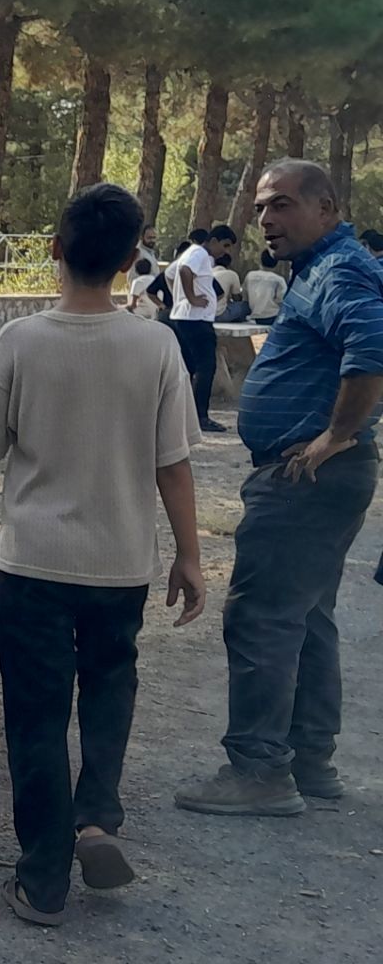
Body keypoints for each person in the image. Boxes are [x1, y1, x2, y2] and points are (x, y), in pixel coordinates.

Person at [0, 183, 206, 926]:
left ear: (55, 250)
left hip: (34, 563)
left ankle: (43, 878)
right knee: (108, 691)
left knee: (34, 715)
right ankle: (96, 818)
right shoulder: (155, 344)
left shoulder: (22, 341)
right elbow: (174, 465)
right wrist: (189, 556)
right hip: (120, 564)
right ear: (132, 260)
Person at [174, 159, 383, 817]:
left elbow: (374, 343)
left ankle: (259, 770)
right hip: (320, 479)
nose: (267, 219)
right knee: (307, 617)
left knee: (263, 618)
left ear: (326, 207)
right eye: (263, 207)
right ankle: (310, 760)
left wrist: (333, 436)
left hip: (306, 478)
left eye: (284, 205)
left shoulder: (339, 268)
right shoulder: (322, 268)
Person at [166, 224, 229, 432]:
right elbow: (184, 271)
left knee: (190, 367)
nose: (225, 251)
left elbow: (170, 273)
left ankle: (185, 414)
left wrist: (179, 297)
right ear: (213, 241)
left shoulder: (192, 254)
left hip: (186, 316)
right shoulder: (199, 253)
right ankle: (200, 416)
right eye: (225, 245)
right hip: (195, 319)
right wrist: (190, 298)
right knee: (205, 367)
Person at [246, 250, 287, 324]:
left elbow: (245, 295)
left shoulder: (250, 275)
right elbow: (282, 300)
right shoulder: (279, 279)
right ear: (276, 263)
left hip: (254, 316)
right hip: (272, 317)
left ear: (260, 260)